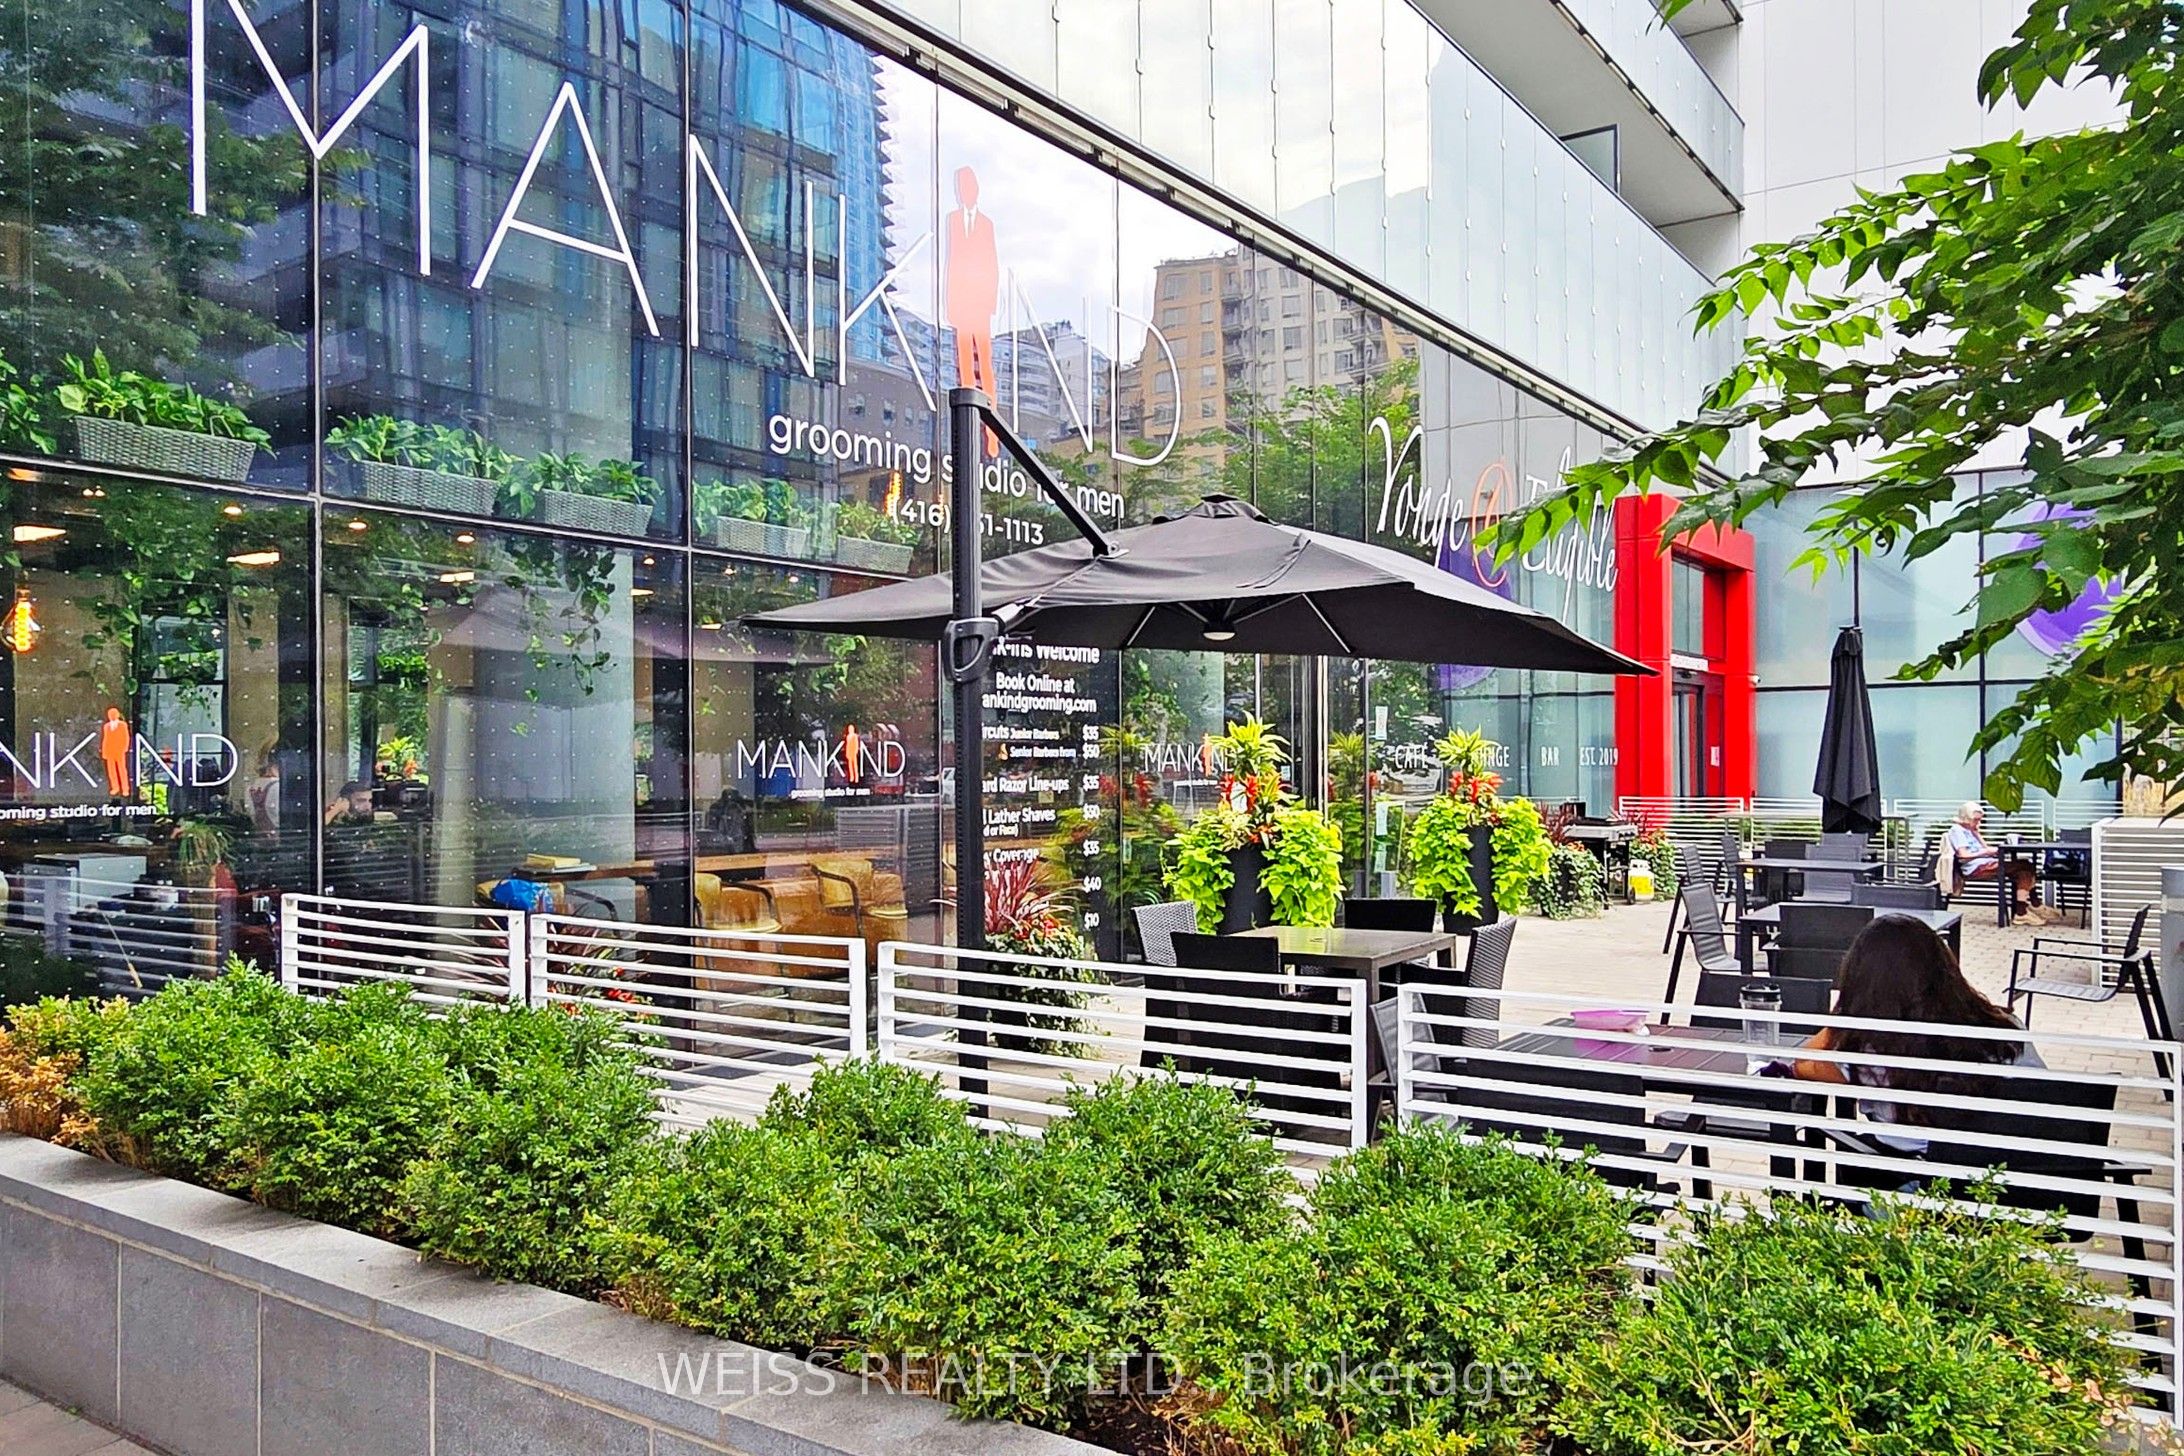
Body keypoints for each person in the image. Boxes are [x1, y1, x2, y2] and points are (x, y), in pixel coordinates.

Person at [1791, 914, 2037, 1152]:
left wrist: (1847, 1011)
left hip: (1917, 1172)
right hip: (2020, 1167)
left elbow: (1802, 1064)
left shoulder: (1873, 1056)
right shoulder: (2006, 1030)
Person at [1944, 800, 2055, 923]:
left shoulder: (1970, 830)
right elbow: (1963, 855)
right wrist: (1986, 852)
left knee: (2025, 870)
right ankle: (2029, 906)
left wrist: (1976, 833)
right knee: (2024, 865)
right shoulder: (1957, 831)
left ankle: (2024, 910)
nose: (1978, 823)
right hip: (1976, 867)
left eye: (1980, 820)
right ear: (1966, 818)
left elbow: (1985, 848)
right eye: (1975, 820)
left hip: (1984, 863)